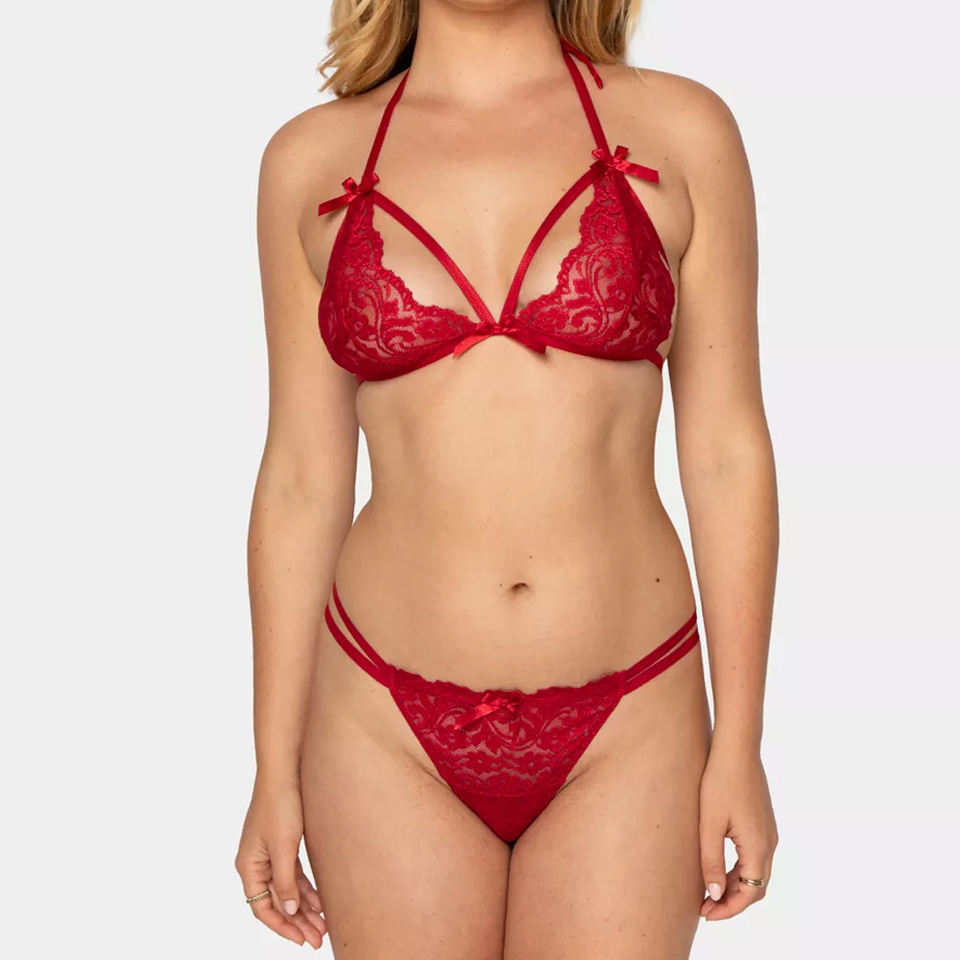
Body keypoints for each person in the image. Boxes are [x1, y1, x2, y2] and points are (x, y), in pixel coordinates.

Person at [235, 1, 779, 956]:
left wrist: (741, 741)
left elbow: (726, 451)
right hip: (380, 724)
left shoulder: (684, 130)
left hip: (631, 717)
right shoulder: (308, 161)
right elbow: (300, 480)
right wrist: (271, 769)